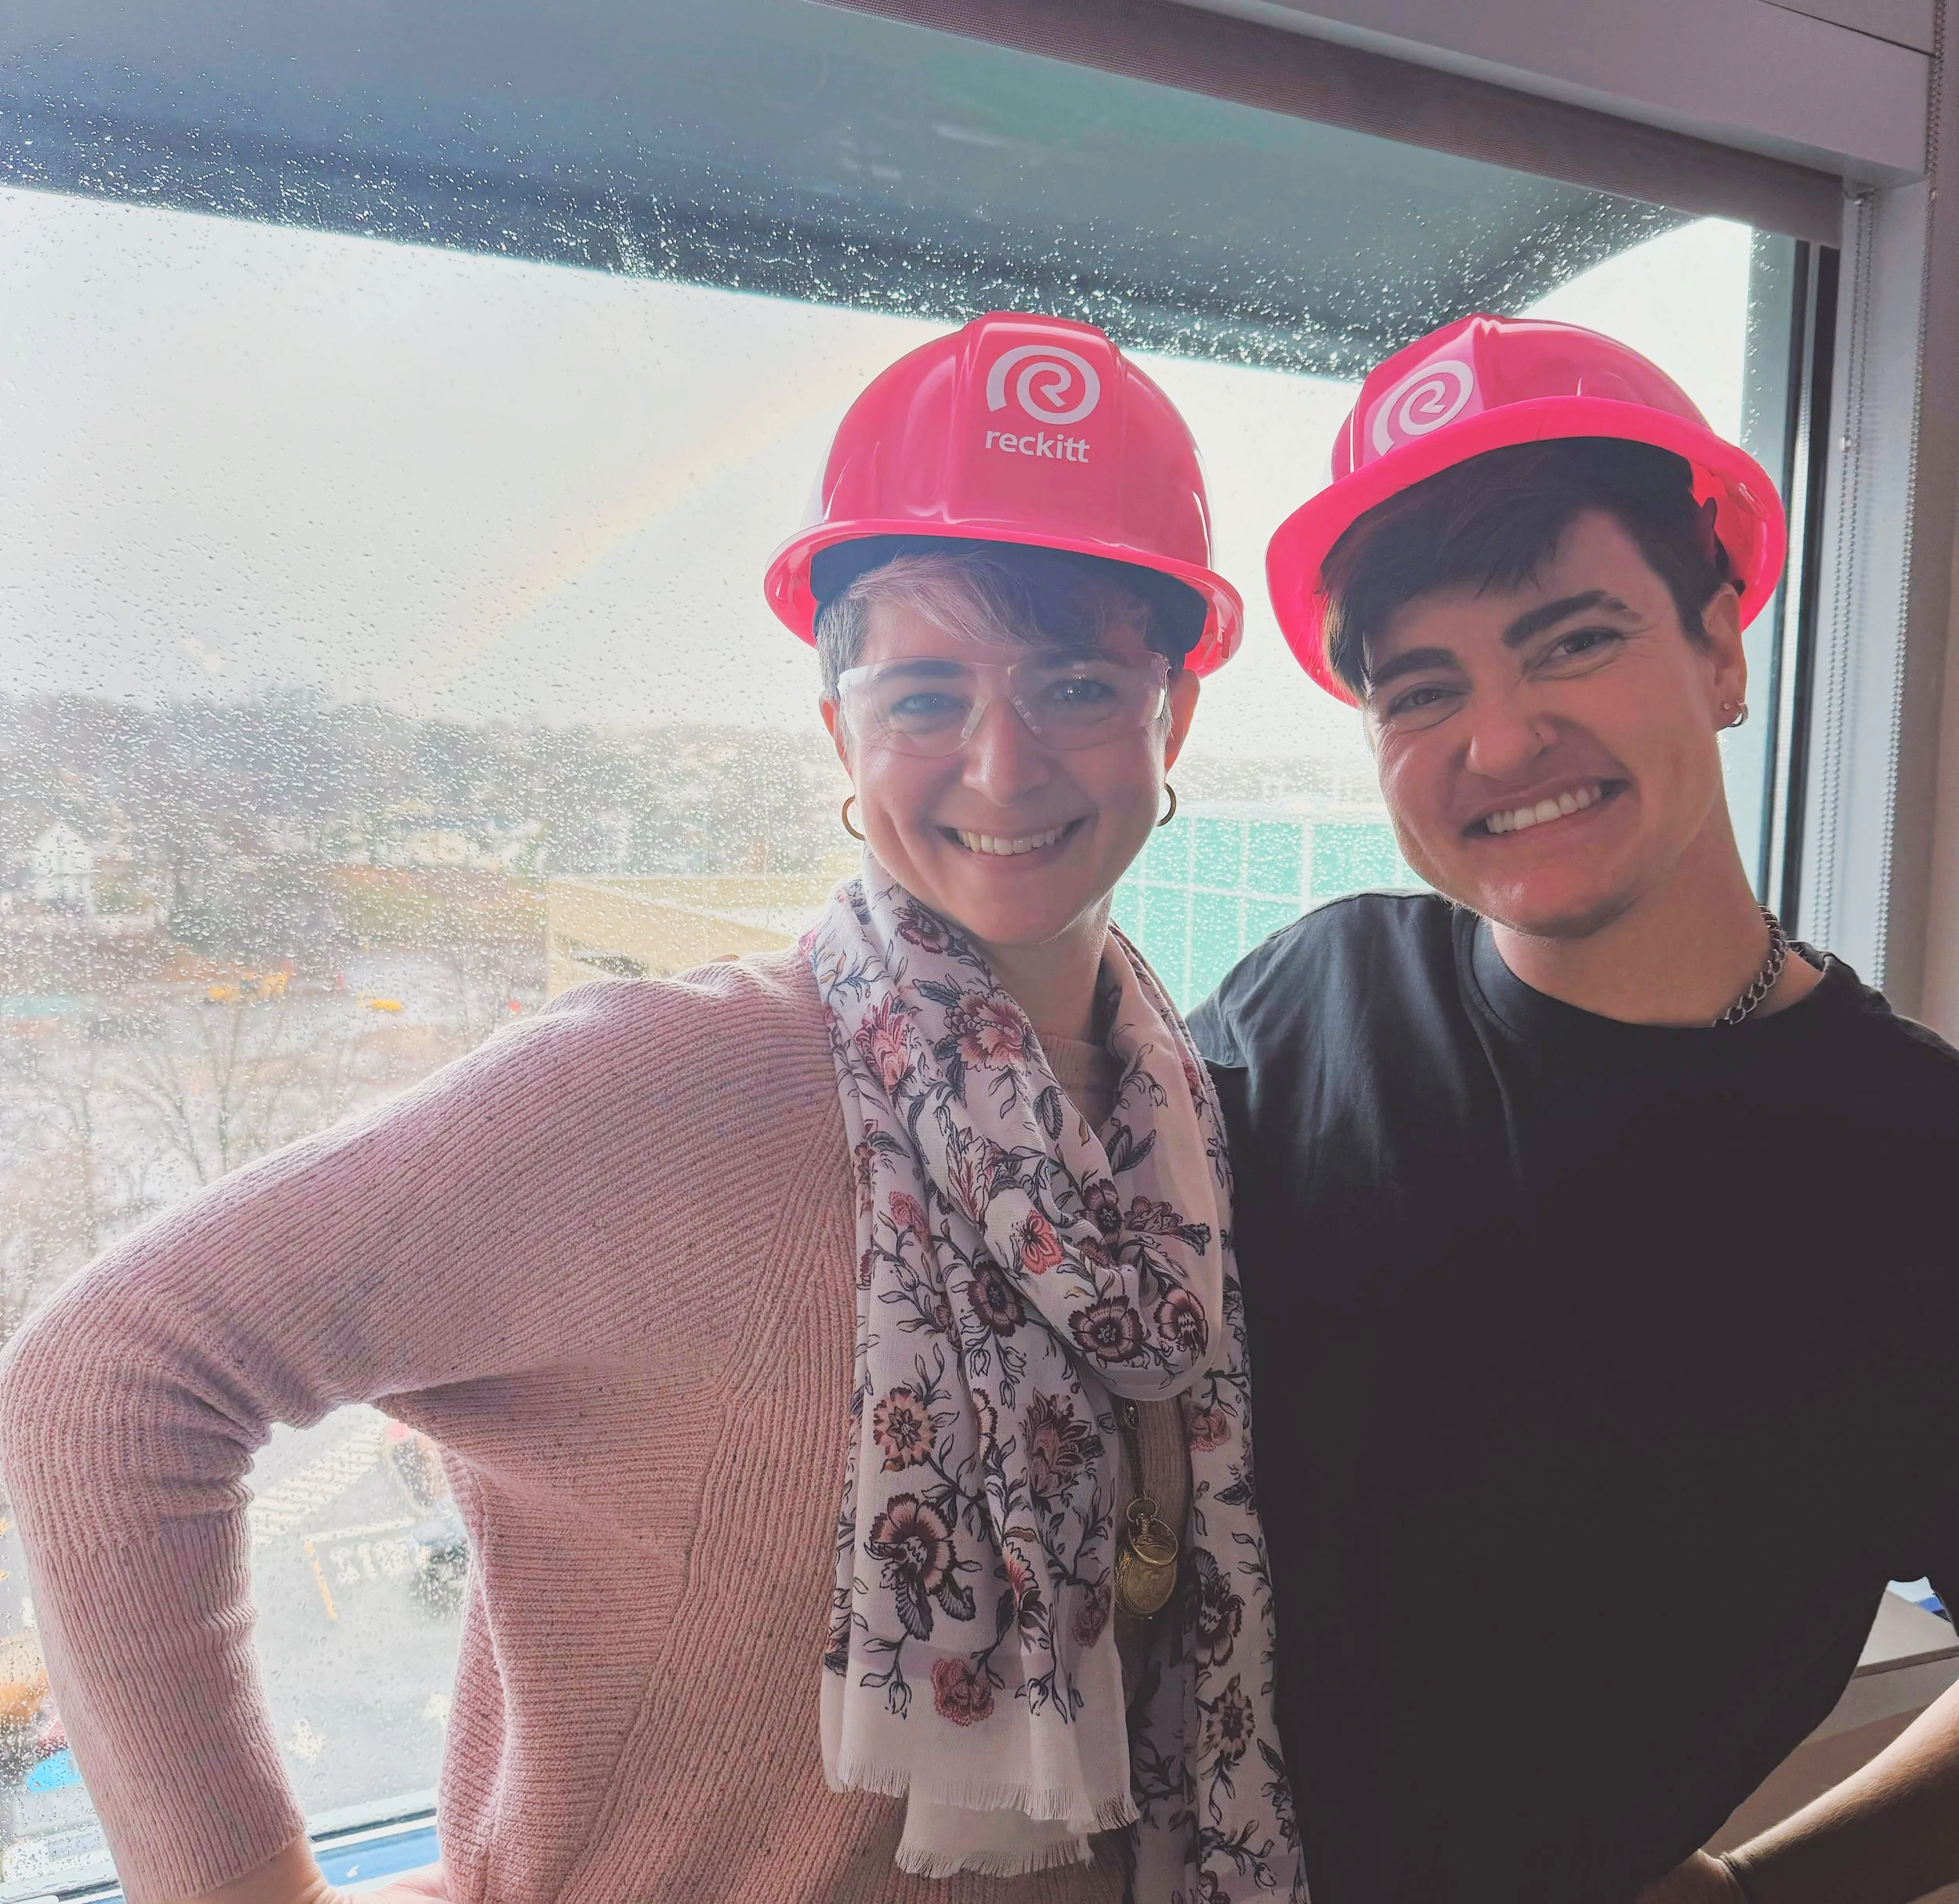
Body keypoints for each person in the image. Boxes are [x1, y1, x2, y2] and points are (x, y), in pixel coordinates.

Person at [0, 314, 1301, 1904]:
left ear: (1174, 718)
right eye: (921, 695)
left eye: (1077, 684)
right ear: (840, 735)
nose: (1000, 760)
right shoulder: (661, 1087)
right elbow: (107, 1376)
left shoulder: (1176, 1127)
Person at [1190, 311, 1959, 1904]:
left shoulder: (1916, 1171)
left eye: (1571, 641)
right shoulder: (1305, 1004)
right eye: (1422, 689)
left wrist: (1762, 1888)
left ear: (1722, 650)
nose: (1498, 740)